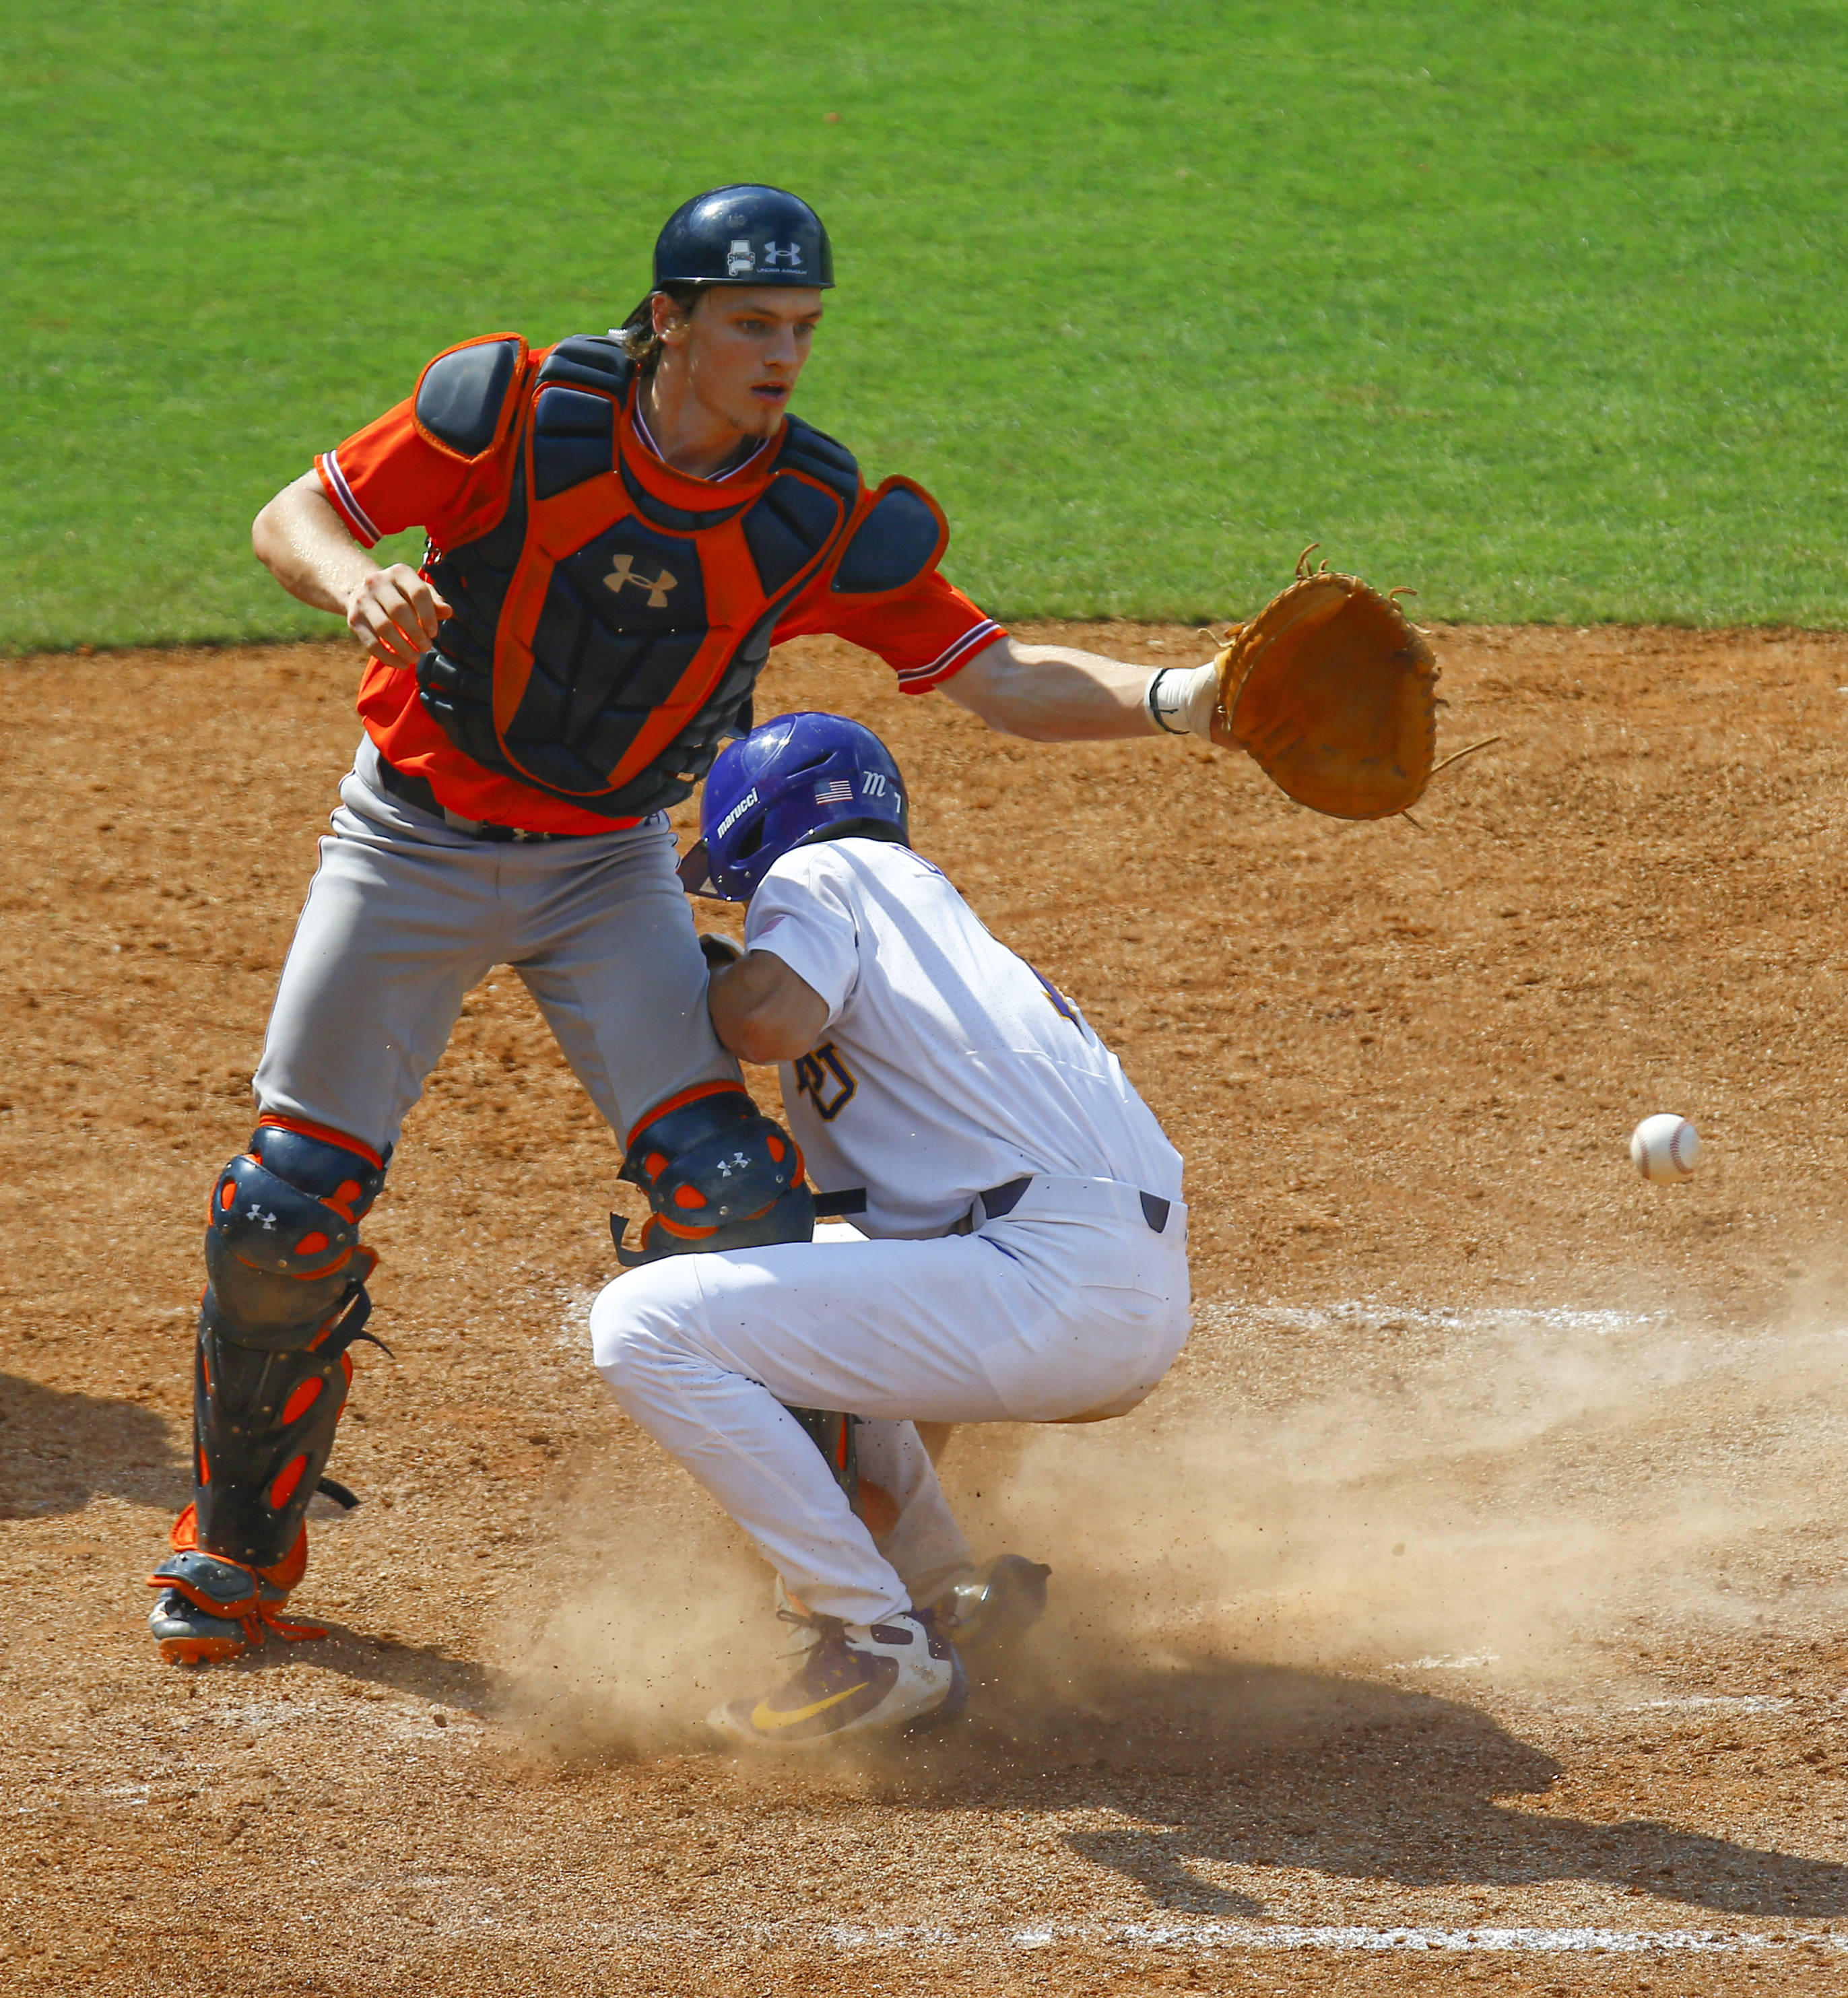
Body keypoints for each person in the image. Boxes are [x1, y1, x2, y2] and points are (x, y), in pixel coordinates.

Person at [144, 182, 1227, 1667]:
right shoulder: (512, 410)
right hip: (408, 839)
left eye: (803, 328)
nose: (782, 355)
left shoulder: (815, 515)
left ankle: (892, 1584)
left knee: (732, 1193)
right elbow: (298, 512)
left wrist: (1190, 700)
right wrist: (359, 580)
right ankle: (235, 1555)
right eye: (751, 325)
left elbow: (1003, 675)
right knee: (285, 1209)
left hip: (606, 865)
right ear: (669, 319)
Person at [589, 713, 1190, 1748]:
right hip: (1099, 1284)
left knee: (644, 1327)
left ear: (752, 827)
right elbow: (899, 1342)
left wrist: (715, 970)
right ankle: (941, 1598)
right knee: (804, 1270)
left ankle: (874, 1638)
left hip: (1042, 1281)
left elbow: (768, 1018)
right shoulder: (935, 925)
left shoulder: (832, 873)